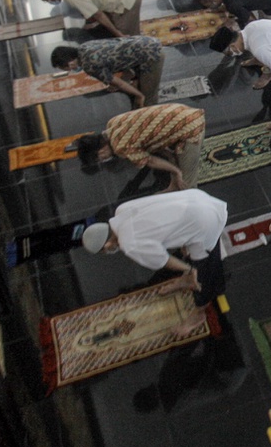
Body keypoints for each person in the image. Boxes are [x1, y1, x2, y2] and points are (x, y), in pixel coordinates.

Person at [81, 189, 229, 338]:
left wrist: (191, 269)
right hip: (193, 200)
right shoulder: (121, 211)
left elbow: (164, 260)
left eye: (105, 251)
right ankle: (188, 279)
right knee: (190, 253)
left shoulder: (130, 244)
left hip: (205, 220)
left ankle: (198, 314)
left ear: (106, 245)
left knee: (204, 274)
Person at [75, 104, 206, 191]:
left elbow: (150, 160)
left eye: (101, 159)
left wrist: (176, 172)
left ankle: (197, 209)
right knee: (172, 161)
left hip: (190, 126)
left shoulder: (120, 147)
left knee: (185, 184)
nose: (104, 160)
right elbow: (145, 137)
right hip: (182, 110)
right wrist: (169, 156)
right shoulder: (112, 123)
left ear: (101, 150)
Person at [49, 36, 164, 108]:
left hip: (151, 54)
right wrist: (125, 77)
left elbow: (119, 84)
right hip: (146, 40)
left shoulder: (89, 65)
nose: (69, 71)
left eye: (65, 69)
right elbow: (116, 57)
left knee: (148, 99)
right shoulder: (84, 46)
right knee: (137, 84)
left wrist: (139, 96)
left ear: (69, 63)